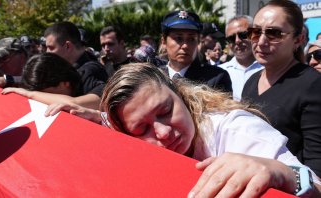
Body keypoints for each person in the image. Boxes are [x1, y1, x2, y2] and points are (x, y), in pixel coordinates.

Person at [46, 63, 321, 198]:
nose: (164, 133)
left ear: (180, 94)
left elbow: (315, 184)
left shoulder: (237, 130)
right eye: (142, 129)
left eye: (166, 111)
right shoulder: (125, 130)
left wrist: (280, 173)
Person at [242, 0, 321, 177]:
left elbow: (316, 168)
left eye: (274, 34)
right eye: (255, 32)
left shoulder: (313, 85)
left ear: (298, 39)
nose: (261, 41)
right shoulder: (251, 81)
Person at [4, 21, 108, 109]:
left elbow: (76, 104)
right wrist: (8, 79)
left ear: (67, 46)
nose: (47, 52)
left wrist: (29, 94)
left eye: (51, 47)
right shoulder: (75, 67)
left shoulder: (91, 71)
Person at [159, 10, 232, 92]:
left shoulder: (215, 78)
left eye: (191, 39)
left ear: (198, 42)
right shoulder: (154, 76)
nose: (185, 45)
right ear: (164, 41)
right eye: (179, 38)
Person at [218, 15, 264, 101]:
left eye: (243, 35)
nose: (237, 41)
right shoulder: (219, 73)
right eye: (231, 38)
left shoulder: (270, 68)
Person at [2, 53, 82, 97]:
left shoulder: (89, 78)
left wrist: (29, 94)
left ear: (65, 83)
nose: (43, 100)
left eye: (46, 95)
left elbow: (74, 103)